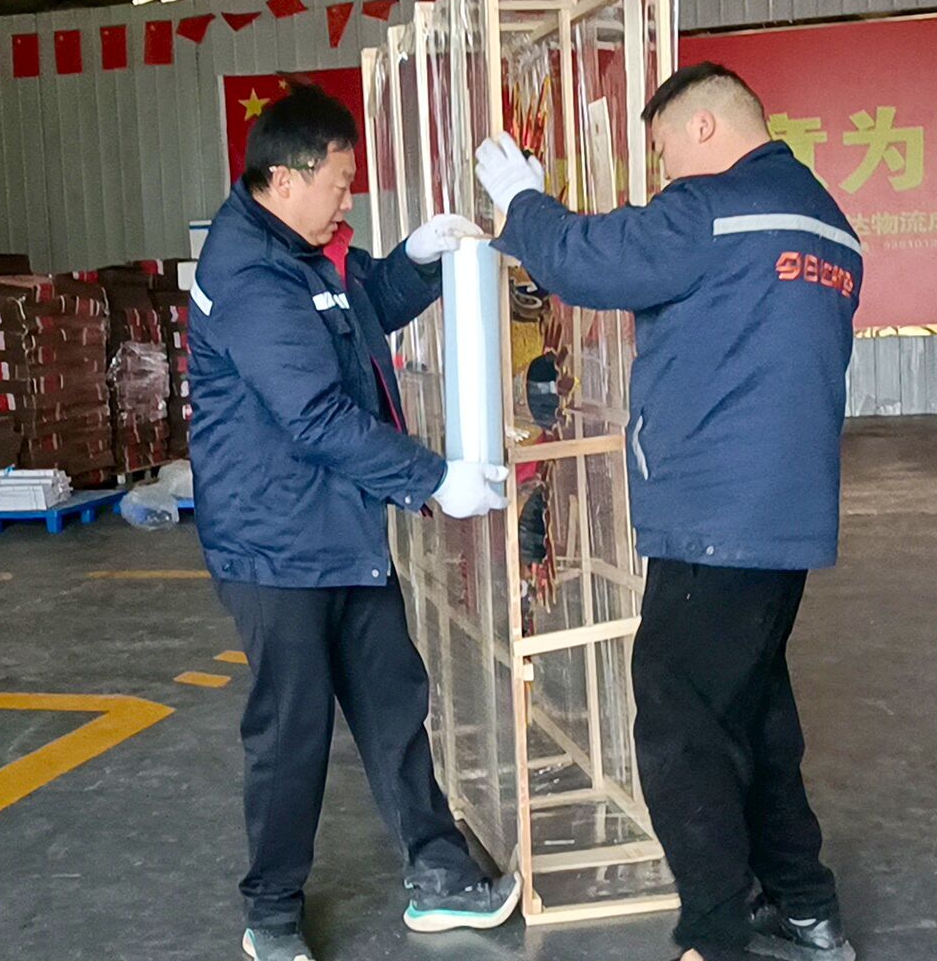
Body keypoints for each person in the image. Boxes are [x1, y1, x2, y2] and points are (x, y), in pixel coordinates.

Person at [473, 62, 861, 961]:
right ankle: (806, 907)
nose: (663, 175)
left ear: (704, 129)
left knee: (680, 723)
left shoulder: (714, 211)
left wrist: (522, 204)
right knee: (754, 711)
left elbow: (590, 259)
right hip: (786, 514)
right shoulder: (825, 221)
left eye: (662, 151)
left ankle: (718, 936)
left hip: (713, 514)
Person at [189, 84, 521, 961]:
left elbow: (360, 304)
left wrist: (414, 260)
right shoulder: (250, 276)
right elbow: (315, 417)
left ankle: (439, 875)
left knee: (392, 701)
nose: (348, 201)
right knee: (292, 732)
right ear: (287, 179)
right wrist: (434, 479)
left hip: (339, 528)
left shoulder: (308, 252)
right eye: (339, 184)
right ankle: (271, 914)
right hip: (275, 543)